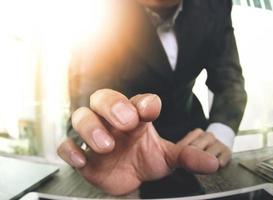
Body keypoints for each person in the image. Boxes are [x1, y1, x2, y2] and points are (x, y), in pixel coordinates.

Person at [57, 0, 247, 198]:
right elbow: (85, 100)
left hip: (195, 145)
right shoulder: (100, 12)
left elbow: (229, 82)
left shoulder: (215, 5)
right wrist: (97, 146)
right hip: (125, 154)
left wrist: (220, 132)